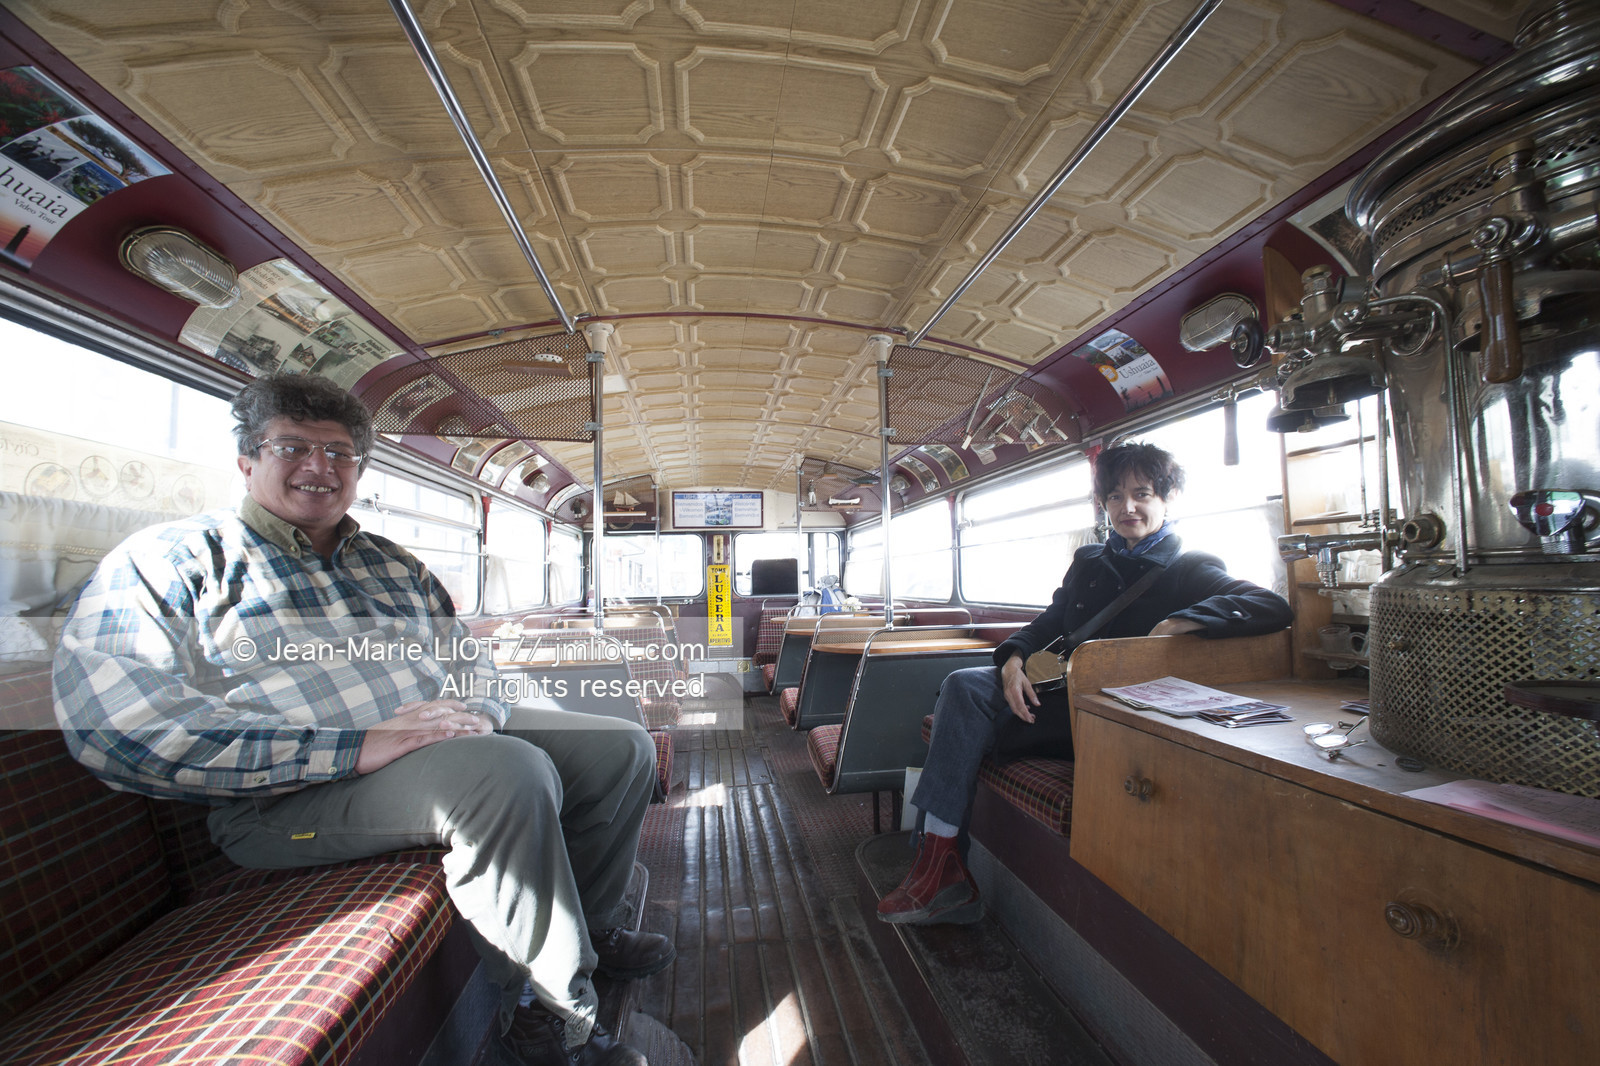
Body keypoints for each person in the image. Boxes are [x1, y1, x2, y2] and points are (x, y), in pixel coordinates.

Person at [53, 372, 665, 1066]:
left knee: (616, 745)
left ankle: (594, 923)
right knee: (505, 771)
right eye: (293, 447)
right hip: (282, 799)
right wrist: (350, 747)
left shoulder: (389, 565)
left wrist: (476, 711)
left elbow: (471, 663)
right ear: (247, 459)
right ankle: (556, 1015)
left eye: (341, 454)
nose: (320, 467)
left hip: (429, 748)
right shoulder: (172, 562)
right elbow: (118, 730)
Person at [877, 442, 1293, 925]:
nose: (1127, 507)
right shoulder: (1090, 561)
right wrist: (1012, 660)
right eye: (1115, 497)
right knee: (963, 685)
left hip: (1109, 712)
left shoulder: (1190, 567)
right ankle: (940, 859)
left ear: (1166, 498)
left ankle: (938, 866)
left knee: (964, 720)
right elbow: (1048, 622)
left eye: (1142, 494)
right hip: (1058, 693)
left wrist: (1182, 621)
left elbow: (1269, 605)